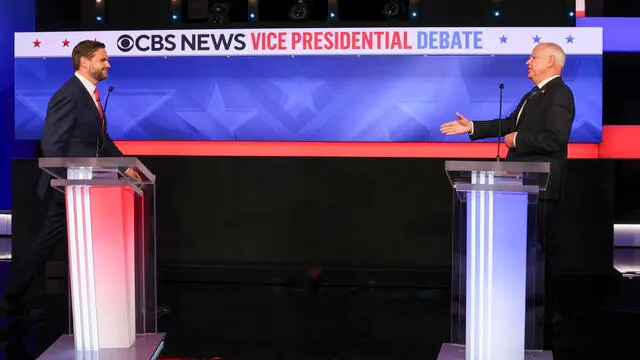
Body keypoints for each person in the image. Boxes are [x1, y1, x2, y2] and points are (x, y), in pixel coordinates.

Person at [439, 42, 575, 351]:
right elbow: (509, 124)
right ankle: (519, 318)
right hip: (521, 186)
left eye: (534, 57)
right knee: (522, 259)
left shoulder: (560, 95)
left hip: (543, 191)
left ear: (551, 61)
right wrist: (473, 126)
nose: (528, 62)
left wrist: (518, 140)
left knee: (542, 260)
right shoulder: (534, 95)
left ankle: (545, 324)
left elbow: (555, 139)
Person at [0, 40, 141, 323]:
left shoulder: (91, 95)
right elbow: (52, 145)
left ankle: (13, 299)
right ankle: (13, 300)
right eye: (103, 60)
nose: (108, 64)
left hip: (87, 186)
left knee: (47, 243)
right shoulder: (69, 95)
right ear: (85, 63)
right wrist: (70, 183)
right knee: (46, 244)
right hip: (72, 187)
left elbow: (101, 141)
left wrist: (126, 166)